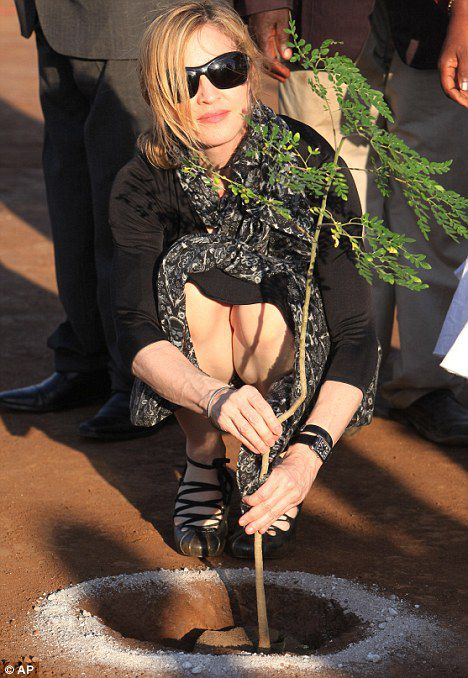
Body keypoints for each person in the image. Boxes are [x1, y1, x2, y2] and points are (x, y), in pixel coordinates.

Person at [110, 0, 380, 559]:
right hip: (203, 377)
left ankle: (273, 460)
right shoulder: (144, 179)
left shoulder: (309, 162)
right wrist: (212, 397)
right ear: (157, 93)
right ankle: (205, 463)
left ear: (250, 73)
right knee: (189, 259)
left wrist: (308, 455)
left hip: (280, 362)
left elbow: (356, 331)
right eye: (183, 81)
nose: (207, 94)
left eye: (224, 71)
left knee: (282, 280)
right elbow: (131, 325)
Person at [239, 0, 468, 446]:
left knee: (435, 213)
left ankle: (428, 384)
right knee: (330, 216)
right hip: (325, 18)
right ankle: (341, 374)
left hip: (438, 24)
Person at [0, 0, 163, 440]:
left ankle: (142, 378)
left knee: (126, 208)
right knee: (71, 203)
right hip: (54, 18)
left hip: (132, 20)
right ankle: (86, 357)